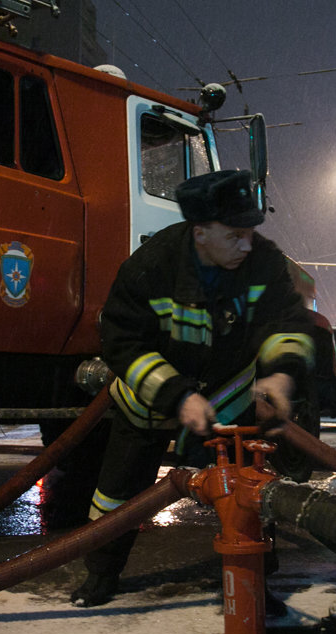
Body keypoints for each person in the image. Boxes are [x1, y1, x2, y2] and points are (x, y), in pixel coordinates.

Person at [70, 169, 317, 608]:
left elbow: (288, 325)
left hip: (229, 399)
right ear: (200, 231)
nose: (247, 244)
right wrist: (178, 397)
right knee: (115, 495)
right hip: (149, 403)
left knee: (249, 489)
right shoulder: (151, 266)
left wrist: (280, 375)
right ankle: (101, 575)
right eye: (235, 234)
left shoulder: (264, 262)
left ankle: (257, 579)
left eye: (251, 233)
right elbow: (123, 344)